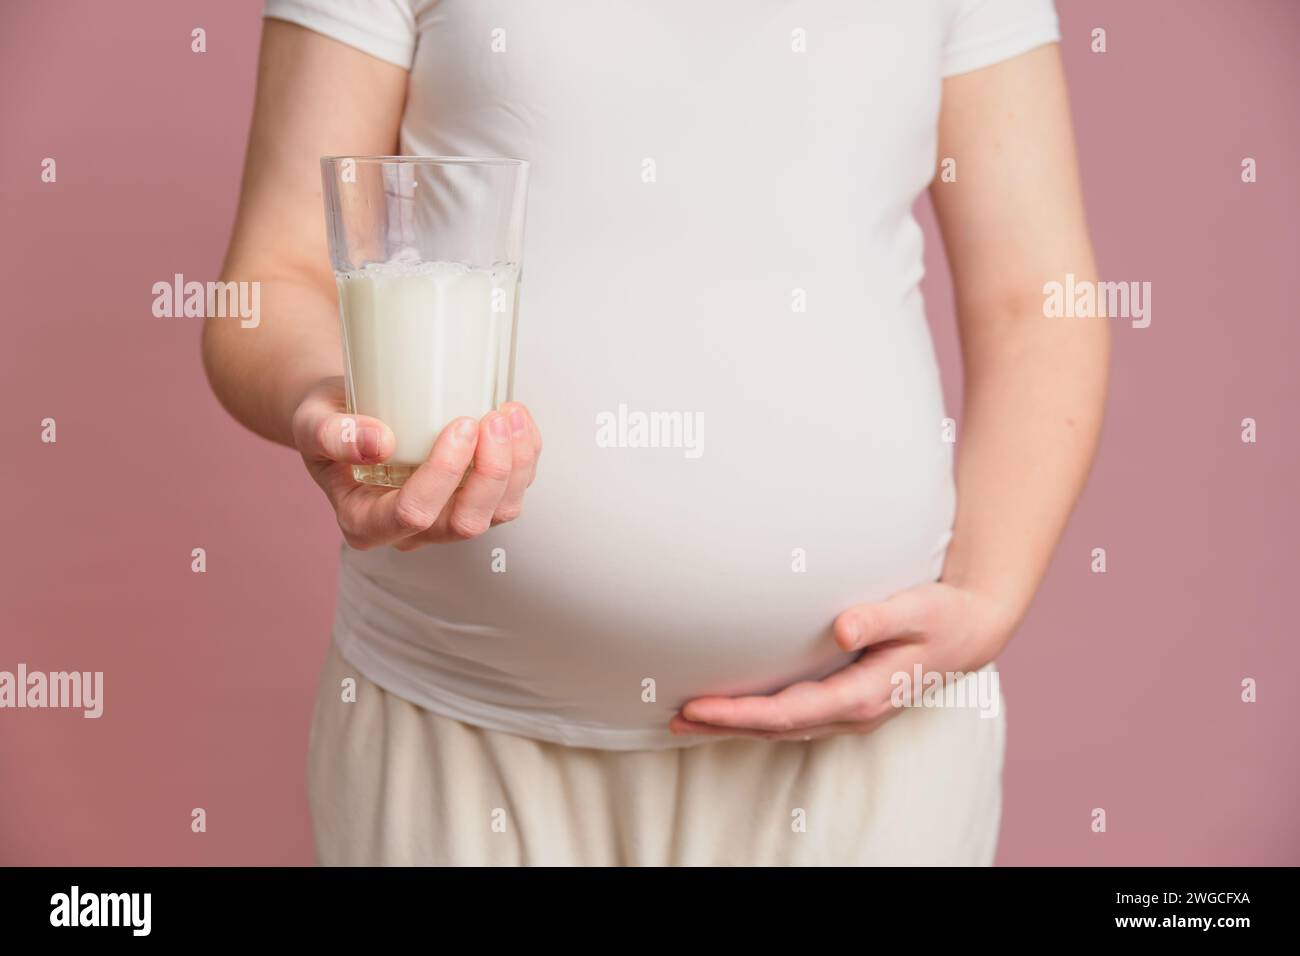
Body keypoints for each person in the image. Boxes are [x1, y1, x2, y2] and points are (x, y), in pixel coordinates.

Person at [203, 0, 1108, 865]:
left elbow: (1038, 304)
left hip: (869, 759)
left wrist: (992, 597)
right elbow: (273, 280)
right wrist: (329, 414)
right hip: (459, 725)